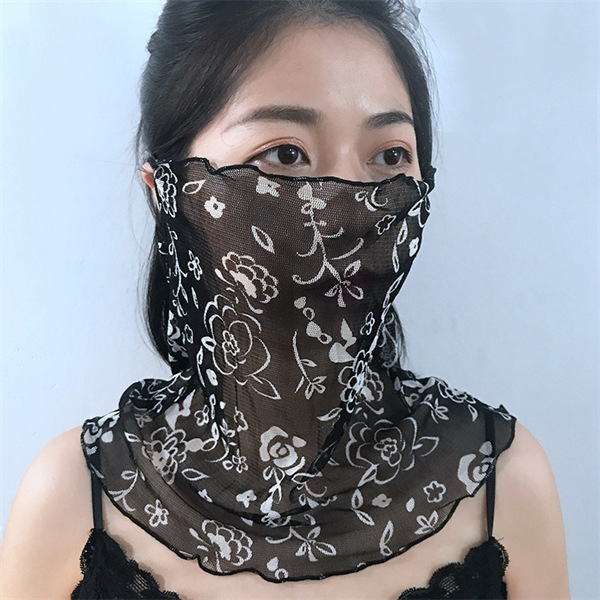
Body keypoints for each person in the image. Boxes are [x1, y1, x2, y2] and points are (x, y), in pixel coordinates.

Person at [0, 0, 570, 598]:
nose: (346, 214)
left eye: (388, 156)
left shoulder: (505, 485)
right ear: (167, 192)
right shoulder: (70, 501)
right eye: (285, 155)